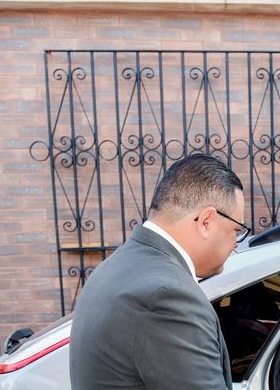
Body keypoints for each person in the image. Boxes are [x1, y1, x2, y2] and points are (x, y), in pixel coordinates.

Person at [70, 154, 248, 390]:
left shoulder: (117, 266)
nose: (236, 242)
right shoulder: (168, 297)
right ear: (206, 221)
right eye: (236, 230)